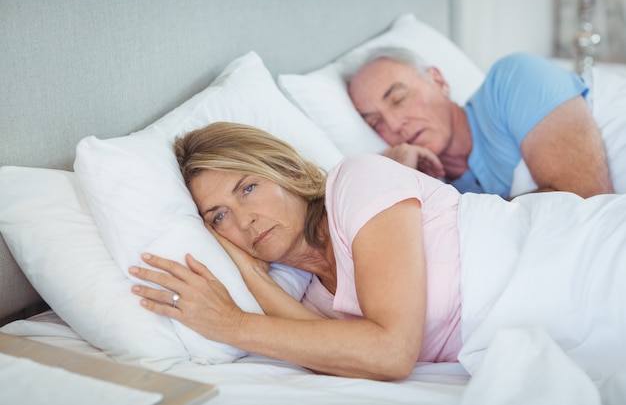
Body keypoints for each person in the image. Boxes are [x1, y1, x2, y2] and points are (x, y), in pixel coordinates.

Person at [129, 122, 625, 384]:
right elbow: (333, 350)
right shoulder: (308, 298)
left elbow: (390, 353)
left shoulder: (358, 182)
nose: (243, 220)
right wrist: (252, 277)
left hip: (582, 258)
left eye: (248, 187)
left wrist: (228, 323)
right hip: (558, 317)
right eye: (218, 218)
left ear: (287, 172)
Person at [346, 48, 614, 199]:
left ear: (439, 81)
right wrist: (397, 177)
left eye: (398, 99)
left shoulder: (513, 79)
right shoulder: (436, 193)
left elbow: (586, 199)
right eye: (375, 123)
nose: (394, 125)